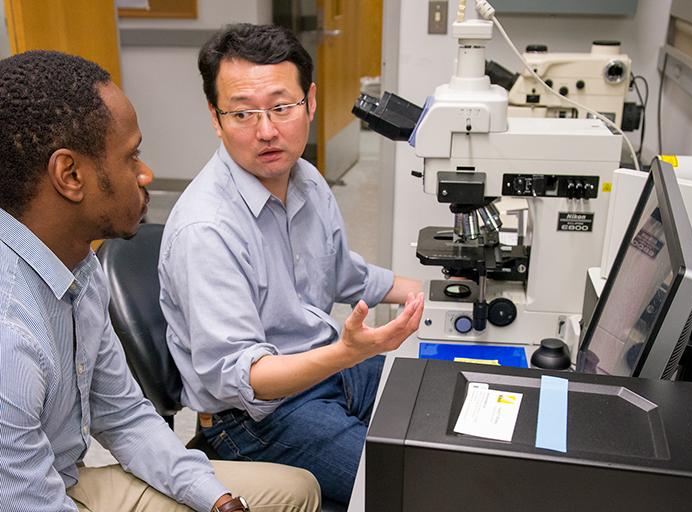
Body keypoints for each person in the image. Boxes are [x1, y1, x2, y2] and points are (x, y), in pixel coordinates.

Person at [0, 50, 321, 512]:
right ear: (70, 175)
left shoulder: (77, 268)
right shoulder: (11, 335)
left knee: (297, 492)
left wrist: (217, 501)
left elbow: (126, 417)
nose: (146, 173)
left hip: (57, 479)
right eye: (131, 157)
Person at [158, 24, 425, 504]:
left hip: (327, 371)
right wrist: (349, 352)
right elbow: (245, 377)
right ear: (215, 119)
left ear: (311, 102)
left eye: (282, 107)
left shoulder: (305, 178)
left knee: (437, 407)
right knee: (409, 485)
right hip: (255, 417)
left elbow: (344, 274)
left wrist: (419, 289)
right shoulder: (205, 230)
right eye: (242, 113)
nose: (266, 131)